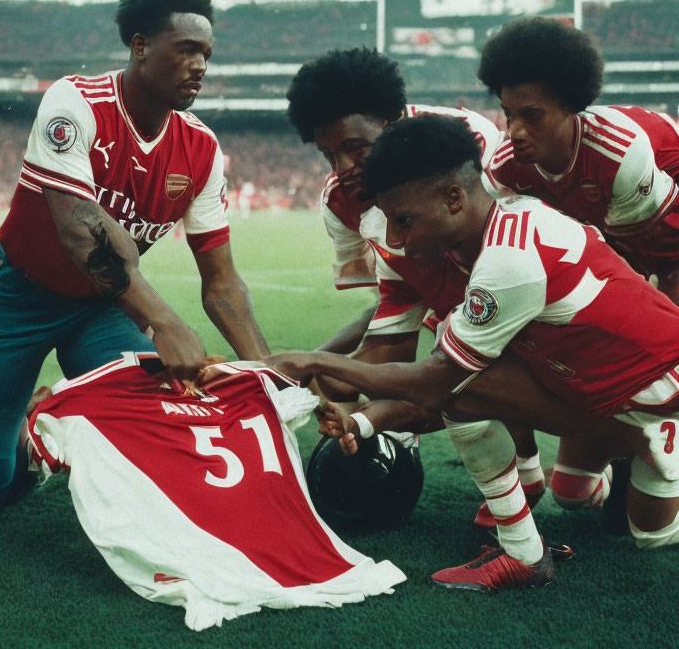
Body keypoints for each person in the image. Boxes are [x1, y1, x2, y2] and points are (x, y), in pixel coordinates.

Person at [262, 115, 679, 590]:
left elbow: (436, 383)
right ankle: (526, 552)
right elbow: (443, 385)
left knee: (654, 539)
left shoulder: (508, 259)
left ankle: (648, 439)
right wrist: (361, 422)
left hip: (656, 390)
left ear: (454, 198)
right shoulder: (486, 239)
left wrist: (314, 361)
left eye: (403, 221)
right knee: (561, 484)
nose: (395, 241)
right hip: (591, 387)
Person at [0, 0, 269, 514]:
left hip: (102, 307)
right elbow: (81, 230)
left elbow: (221, 281)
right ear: (140, 45)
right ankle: (32, 422)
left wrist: (266, 372)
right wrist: (166, 321)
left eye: (207, 54)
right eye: (187, 49)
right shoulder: (75, 100)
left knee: (157, 406)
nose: (201, 65)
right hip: (19, 295)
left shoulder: (203, 148)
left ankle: (63, 404)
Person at [284, 48, 541, 525]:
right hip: (454, 303)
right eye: (327, 154)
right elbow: (390, 308)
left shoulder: (474, 145)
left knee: (463, 375)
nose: (341, 167)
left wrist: (323, 366)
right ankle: (524, 487)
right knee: (366, 379)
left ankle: (549, 465)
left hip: (528, 292)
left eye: (355, 148)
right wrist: (310, 372)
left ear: (392, 119)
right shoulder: (341, 203)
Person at [22, 353, 406, 630]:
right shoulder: (246, 381)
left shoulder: (92, 396)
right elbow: (289, 374)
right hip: (305, 553)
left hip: (194, 548)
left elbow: (44, 446)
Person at [477, 17, 679, 302]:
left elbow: (656, 261)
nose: (515, 131)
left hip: (665, 175)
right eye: (509, 114)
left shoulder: (618, 155)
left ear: (569, 105)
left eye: (532, 115)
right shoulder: (503, 169)